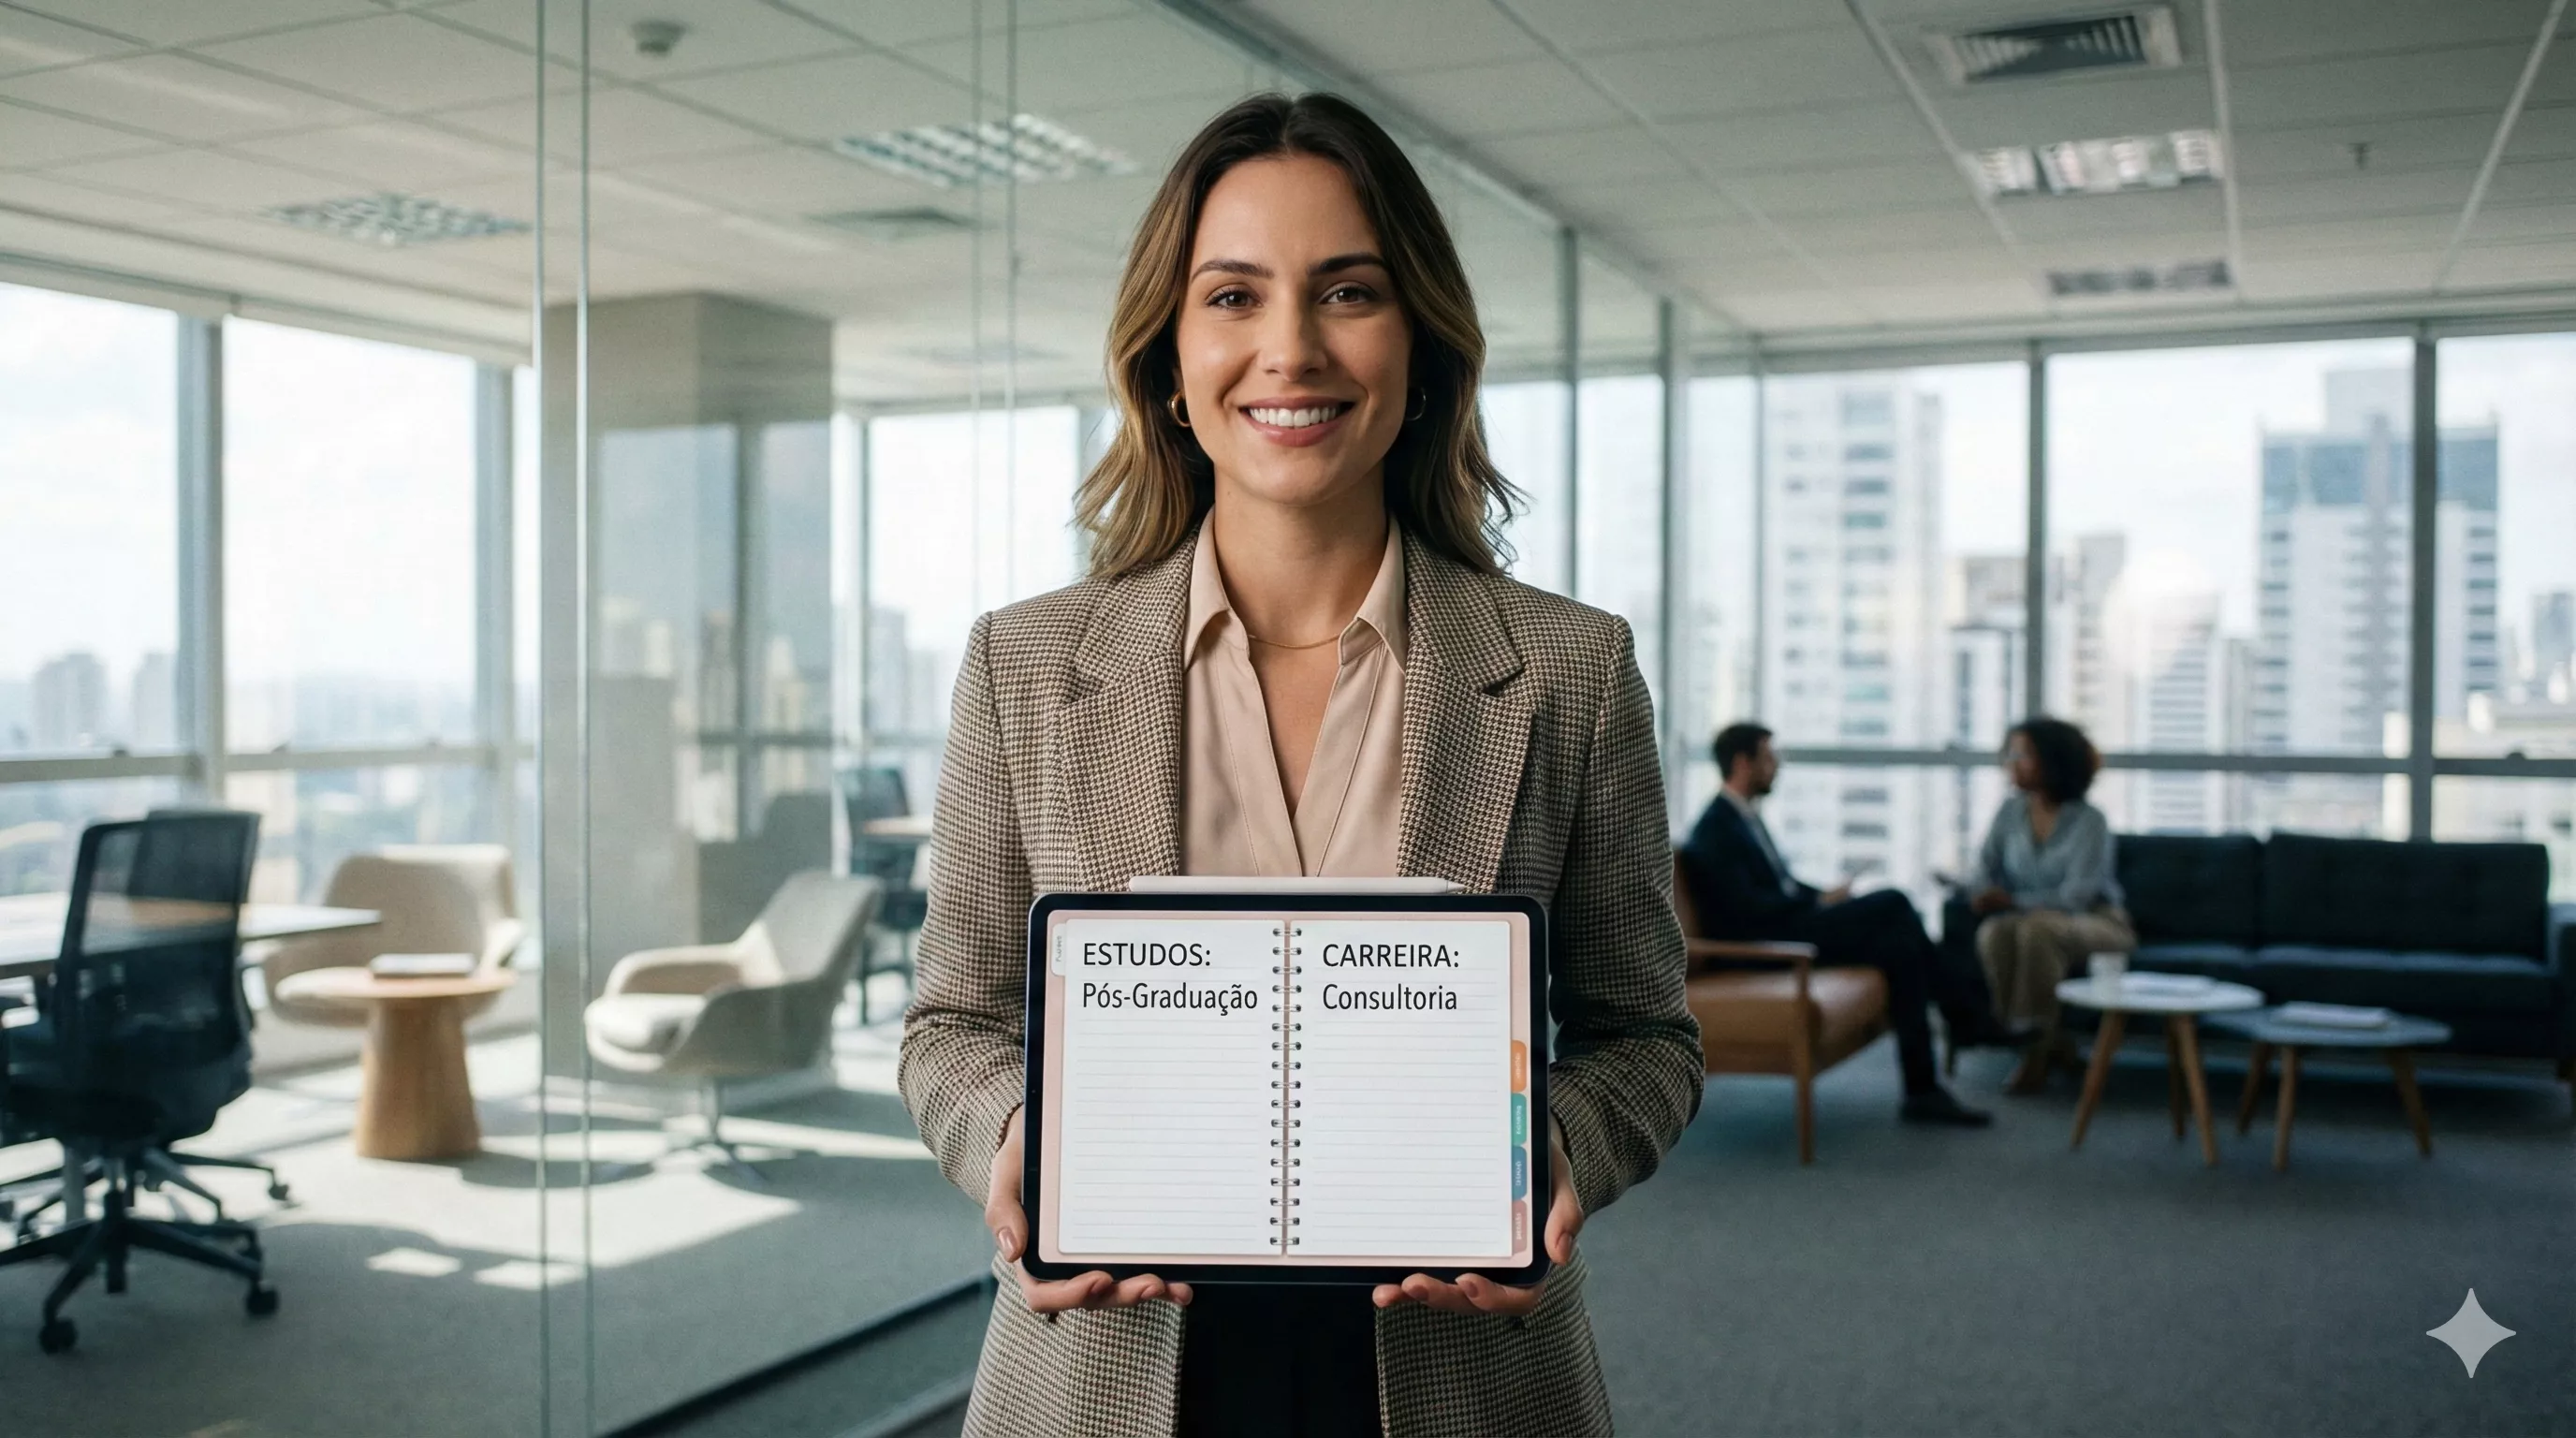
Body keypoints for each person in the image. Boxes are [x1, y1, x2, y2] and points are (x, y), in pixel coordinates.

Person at [898, 93, 1700, 1438]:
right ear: (1166, 357)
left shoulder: (1568, 670)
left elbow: (1644, 1040)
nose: (1290, 348)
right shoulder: (1026, 667)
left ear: (1421, 344)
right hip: (1105, 1370)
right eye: (1232, 296)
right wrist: (1012, 1137)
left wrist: (1557, 1144)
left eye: (1347, 291)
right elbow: (952, 1029)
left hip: (1462, 1378)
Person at [1679, 722, 2010, 1126]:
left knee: (1900, 947)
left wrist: (1820, 896)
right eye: (1769, 758)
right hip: (1766, 945)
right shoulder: (1716, 828)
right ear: (1742, 763)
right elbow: (1743, 913)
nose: (1777, 767)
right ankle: (1967, 1017)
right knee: (1894, 901)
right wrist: (1811, 905)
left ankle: (1923, 1089)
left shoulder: (1743, 818)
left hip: (1787, 925)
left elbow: (1776, 885)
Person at [1969, 717, 2134, 1093]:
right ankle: (2039, 1041)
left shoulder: (2089, 821)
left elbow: (2077, 896)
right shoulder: (2009, 813)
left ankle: (2036, 1051)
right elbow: (1983, 869)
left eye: (2023, 754)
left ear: (2053, 760)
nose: (2012, 762)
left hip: (2098, 921)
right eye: (2011, 753)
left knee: (2036, 929)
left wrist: (2012, 900)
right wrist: (1981, 892)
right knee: (1994, 930)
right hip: (2024, 920)